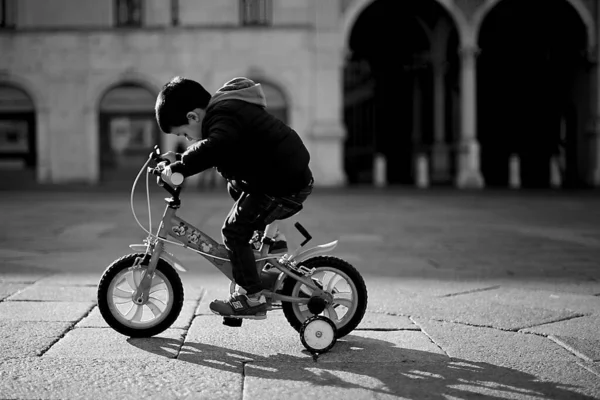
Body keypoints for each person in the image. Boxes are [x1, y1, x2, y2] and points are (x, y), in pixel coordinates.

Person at [154, 76, 313, 318]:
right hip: (275, 178)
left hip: (282, 184)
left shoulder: (223, 116)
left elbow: (216, 145)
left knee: (234, 231)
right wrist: (178, 159)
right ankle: (271, 240)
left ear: (193, 117)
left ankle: (252, 297)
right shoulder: (224, 115)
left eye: (184, 134)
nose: (188, 139)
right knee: (235, 188)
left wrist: (181, 166)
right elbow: (214, 147)